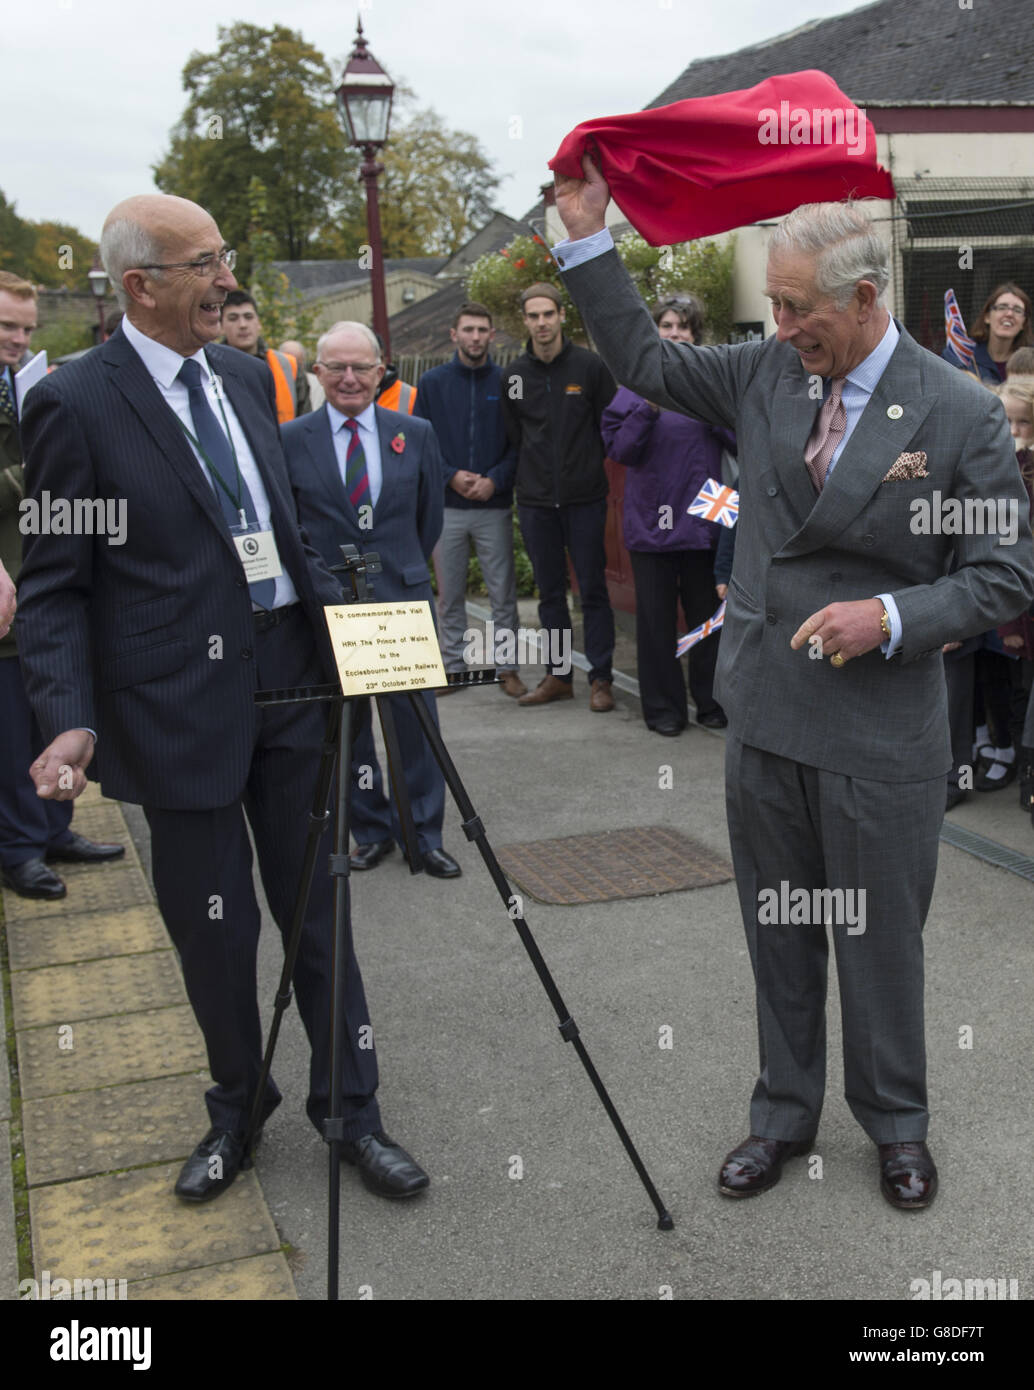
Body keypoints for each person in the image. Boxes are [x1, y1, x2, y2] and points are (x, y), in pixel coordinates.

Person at [552, 157, 1034, 1210]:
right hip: (767, 713)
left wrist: (894, 617)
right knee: (777, 926)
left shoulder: (956, 410)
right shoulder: (762, 373)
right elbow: (637, 355)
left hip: (880, 727)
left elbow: (1003, 570)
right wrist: (587, 235)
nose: (776, 325)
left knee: (876, 940)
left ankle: (895, 1123)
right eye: (769, 304)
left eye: (795, 307)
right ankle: (779, 1112)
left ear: (864, 301)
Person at [16, 195, 428, 1204]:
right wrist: (68, 713)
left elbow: (286, 530)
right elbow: (59, 584)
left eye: (225, 258)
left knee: (318, 911)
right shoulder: (74, 402)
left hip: (292, 682)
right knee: (215, 927)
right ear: (139, 286)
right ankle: (237, 1108)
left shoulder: (249, 379)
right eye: (205, 263)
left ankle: (353, 1111)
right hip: (175, 711)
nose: (228, 281)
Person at [282, 321, 460, 879]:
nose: (350, 378)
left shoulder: (416, 432)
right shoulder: (289, 439)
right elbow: (291, 526)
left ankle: (423, 835)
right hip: (333, 605)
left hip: (401, 601)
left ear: (382, 371)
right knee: (347, 727)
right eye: (336, 367)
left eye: (361, 367)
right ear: (318, 373)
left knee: (416, 724)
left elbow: (427, 518)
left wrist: (402, 569)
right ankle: (371, 830)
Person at [0, 270, 125, 900]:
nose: (18, 339)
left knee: (47, 714)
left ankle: (54, 827)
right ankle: (17, 848)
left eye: (26, 328)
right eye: (6, 327)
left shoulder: (22, 390)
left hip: (38, 585)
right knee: (5, 729)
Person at [601, 294, 734, 734]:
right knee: (656, 625)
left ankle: (712, 704)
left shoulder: (713, 382)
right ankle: (663, 711)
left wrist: (713, 413)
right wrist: (648, 409)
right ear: (654, 332)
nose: (675, 333)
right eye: (667, 325)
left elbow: (741, 438)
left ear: (695, 335)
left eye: (684, 326)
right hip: (650, 523)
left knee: (709, 623)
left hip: (707, 520)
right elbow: (620, 450)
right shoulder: (631, 388)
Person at [501, 282, 618, 711]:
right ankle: (558, 676)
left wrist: (584, 466)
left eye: (548, 314)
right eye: (533, 316)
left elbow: (610, 427)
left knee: (592, 590)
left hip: (585, 498)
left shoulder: (589, 368)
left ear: (561, 316)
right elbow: (515, 434)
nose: (541, 322)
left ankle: (601, 678)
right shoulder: (514, 376)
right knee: (549, 593)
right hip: (535, 502)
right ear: (525, 321)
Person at [415, 302, 524, 697]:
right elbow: (420, 442)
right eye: (468, 330)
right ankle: (452, 667)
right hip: (448, 506)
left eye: (482, 330)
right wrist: (450, 476)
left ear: (492, 335)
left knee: (502, 593)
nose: (475, 337)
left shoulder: (509, 381)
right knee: (449, 594)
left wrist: (495, 481)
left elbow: (520, 443)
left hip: (493, 505)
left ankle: (507, 668)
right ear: (454, 335)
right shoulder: (432, 383)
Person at [221, 289, 311, 423]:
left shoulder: (288, 365)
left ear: (259, 323)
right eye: (233, 318)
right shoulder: (209, 369)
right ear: (221, 326)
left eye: (248, 317)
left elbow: (306, 423)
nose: (243, 325)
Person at [943, 282, 1032, 383]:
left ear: (1024, 323)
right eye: (1002, 307)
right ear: (987, 317)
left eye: (1017, 310)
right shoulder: (959, 354)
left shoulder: (1030, 361)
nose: (1009, 313)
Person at [280, 338, 324, 410]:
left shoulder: (318, 384)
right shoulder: (271, 381)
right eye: (290, 364)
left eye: (298, 364)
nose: (295, 370)